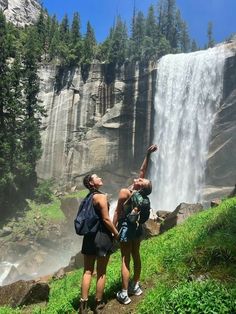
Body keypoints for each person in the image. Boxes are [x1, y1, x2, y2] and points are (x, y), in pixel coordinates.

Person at [113, 144, 158, 305]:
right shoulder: (140, 194)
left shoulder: (125, 192)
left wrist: (113, 229)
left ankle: (124, 293)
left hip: (125, 228)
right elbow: (142, 170)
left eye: (140, 180)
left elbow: (117, 212)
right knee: (136, 256)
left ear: (140, 186)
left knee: (125, 259)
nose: (139, 177)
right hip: (137, 228)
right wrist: (148, 154)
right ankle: (135, 286)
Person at [79, 173, 119, 314]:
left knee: (87, 271)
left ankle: (83, 306)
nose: (100, 178)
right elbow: (106, 220)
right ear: (91, 183)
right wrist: (116, 233)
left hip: (89, 237)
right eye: (97, 177)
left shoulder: (88, 198)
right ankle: (98, 303)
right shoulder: (101, 197)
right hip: (102, 237)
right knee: (101, 272)